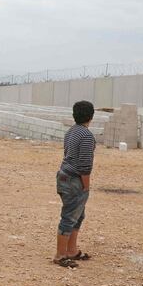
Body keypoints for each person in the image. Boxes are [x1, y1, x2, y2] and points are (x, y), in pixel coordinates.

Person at [54, 100, 96, 268]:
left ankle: (71, 251)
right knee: (70, 217)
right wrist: (86, 186)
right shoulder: (86, 136)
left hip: (64, 176)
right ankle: (60, 255)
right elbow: (85, 165)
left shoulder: (71, 132)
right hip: (74, 180)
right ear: (91, 116)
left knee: (78, 215)